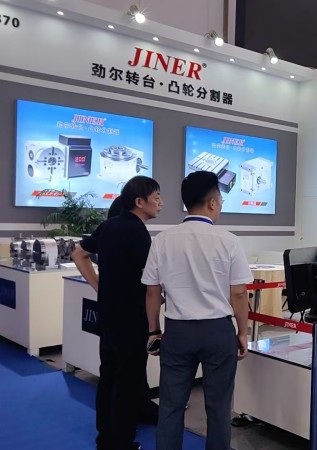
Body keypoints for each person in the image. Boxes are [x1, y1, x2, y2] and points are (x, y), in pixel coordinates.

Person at [142, 171, 252, 450]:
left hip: (177, 332)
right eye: (220, 200)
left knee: (170, 406)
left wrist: (154, 331)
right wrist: (242, 332)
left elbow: (152, 292)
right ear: (212, 203)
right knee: (219, 408)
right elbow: (239, 293)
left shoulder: (162, 240)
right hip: (218, 332)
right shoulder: (229, 241)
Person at [72, 176, 162, 450]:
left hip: (109, 316)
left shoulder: (109, 225)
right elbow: (152, 280)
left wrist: (99, 286)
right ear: (140, 201)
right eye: (157, 197)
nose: (161, 203)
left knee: (109, 377)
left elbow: (78, 254)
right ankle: (121, 443)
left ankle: (106, 439)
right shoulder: (137, 231)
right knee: (127, 382)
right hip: (131, 319)